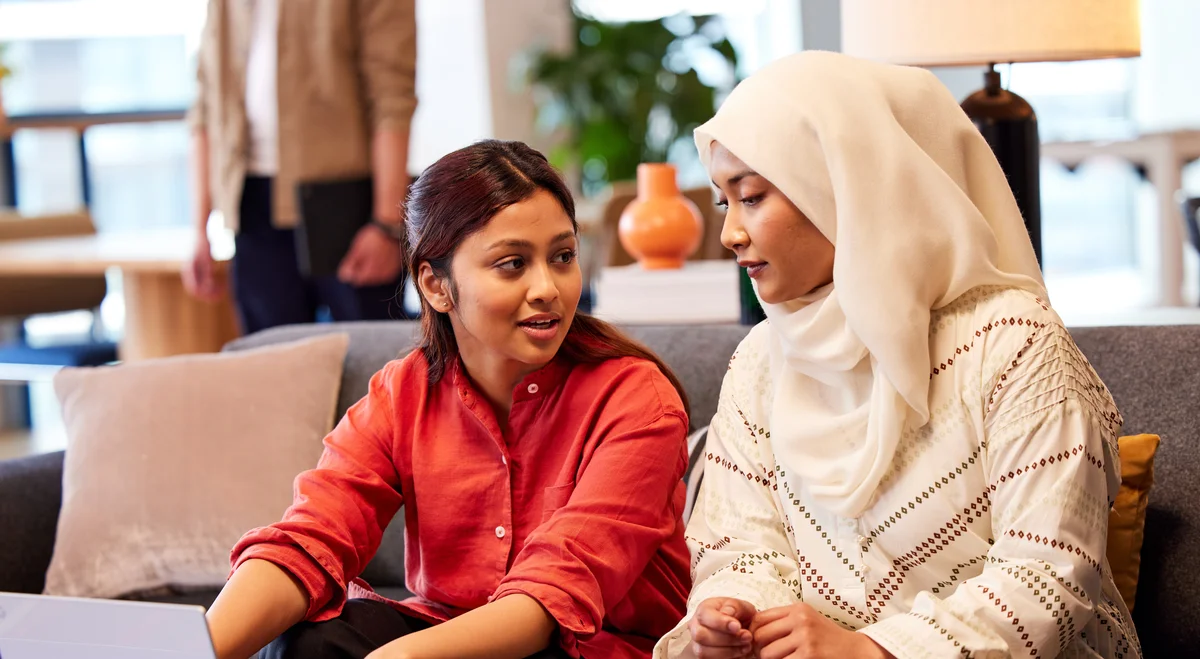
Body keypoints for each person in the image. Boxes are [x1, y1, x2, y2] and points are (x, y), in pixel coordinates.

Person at [655, 52, 1140, 659]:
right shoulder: (760, 360)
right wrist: (735, 613)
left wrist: (873, 650)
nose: (729, 233)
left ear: (843, 186)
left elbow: (1048, 579)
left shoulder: (1013, 344)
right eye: (726, 204)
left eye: (751, 197)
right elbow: (742, 546)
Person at [203, 140, 693, 659]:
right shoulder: (401, 394)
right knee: (302, 643)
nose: (548, 287)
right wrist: (199, 650)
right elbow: (312, 536)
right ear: (436, 286)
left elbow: (554, 594)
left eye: (563, 256)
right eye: (512, 264)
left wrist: (403, 657)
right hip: (444, 634)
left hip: (583, 646)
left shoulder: (637, 400)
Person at [183, 0, 417, 332]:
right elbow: (205, 103)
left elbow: (392, 96)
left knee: (374, 364)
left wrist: (386, 225)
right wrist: (200, 230)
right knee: (273, 368)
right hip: (251, 201)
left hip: (348, 203)